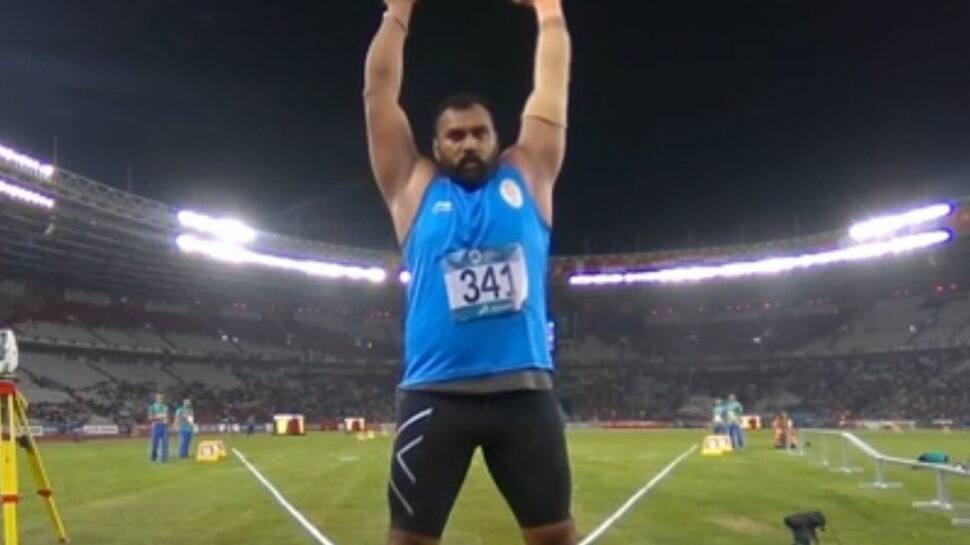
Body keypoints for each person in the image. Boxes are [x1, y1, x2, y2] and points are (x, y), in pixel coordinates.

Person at [363, 0, 573, 543]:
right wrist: (399, 12)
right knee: (408, 539)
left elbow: (552, 85)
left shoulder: (531, 172)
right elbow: (378, 95)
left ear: (497, 137)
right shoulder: (412, 187)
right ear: (435, 146)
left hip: (524, 394)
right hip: (435, 396)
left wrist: (548, 13)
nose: (469, 142)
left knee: (554, 535)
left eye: (479, 131)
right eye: (455, 136)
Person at [147, 393, 169, 463]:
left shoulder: (165, 407)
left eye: (161, 398)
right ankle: (153, 457)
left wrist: (167, 420)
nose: (160, 399)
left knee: (165, 443)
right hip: (156, 426)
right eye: (159, 398)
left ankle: (164, 458)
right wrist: (159, 417)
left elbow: (167, 416)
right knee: (155, 443)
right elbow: (150, 417)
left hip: (164, 426)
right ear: (156, 399)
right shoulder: (152, 407)